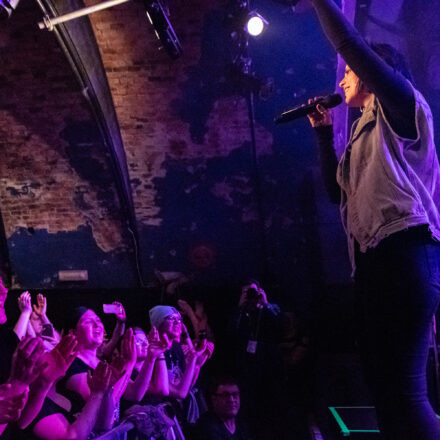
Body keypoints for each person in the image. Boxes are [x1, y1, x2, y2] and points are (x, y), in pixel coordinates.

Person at [305, 0, 440, 438]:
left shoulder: (402, 105)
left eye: (348, 70)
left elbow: (350, 43)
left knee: (405, 391)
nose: (343, 76)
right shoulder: (360, 135)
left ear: (371, 72)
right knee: (383, 390)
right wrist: (324, 135)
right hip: (371, 265)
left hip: (405, 252)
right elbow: (334, 193)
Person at [228, 280, 284, 439]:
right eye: (246, 292)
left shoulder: (270, 310)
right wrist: (240, 306)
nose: (251, 295)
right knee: (248, 410)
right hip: (246, 368)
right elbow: (231, 332)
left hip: (269, 367)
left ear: (260, 291)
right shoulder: (240, 313)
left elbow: (281, 327)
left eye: (253, 291)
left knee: (271, 410)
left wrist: (265, 304)